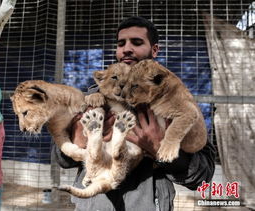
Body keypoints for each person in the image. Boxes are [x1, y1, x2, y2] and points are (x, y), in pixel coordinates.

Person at [52, 16, 215, 211]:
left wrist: (158, 149)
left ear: (154, 50)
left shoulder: (174, 97)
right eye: (121, 43)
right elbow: (60, 159)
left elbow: (202, 175)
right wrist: (80, 137)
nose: (127, 48)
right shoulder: (93, 97)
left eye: (137, 42)